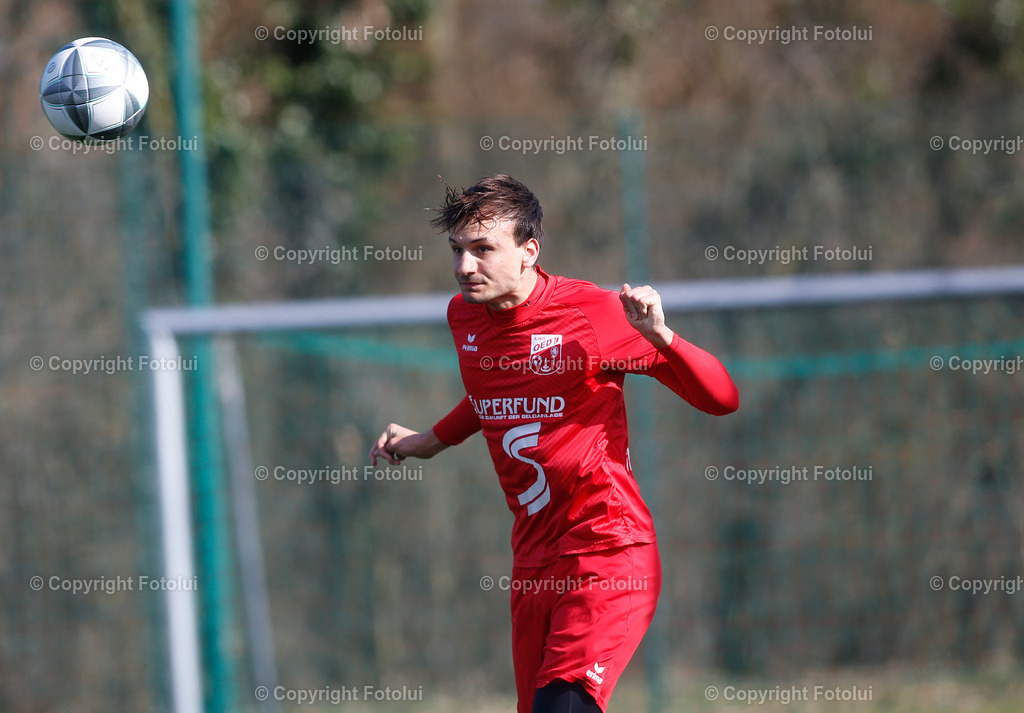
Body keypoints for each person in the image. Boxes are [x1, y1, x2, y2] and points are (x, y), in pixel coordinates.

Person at [369, 174, 738, 713]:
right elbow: (495, 391)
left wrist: (663, 337)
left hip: (607, 548)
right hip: (534, 561)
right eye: (456, 250)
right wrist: (430, 440)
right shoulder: (464, 317)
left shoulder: (596, 314)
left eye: (483, 249)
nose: (464, 267)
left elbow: (722, 398)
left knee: (563, 707)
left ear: (528, 252)